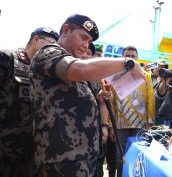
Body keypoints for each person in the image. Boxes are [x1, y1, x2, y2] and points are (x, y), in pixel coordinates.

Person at [29, 14, 144, 177]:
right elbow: (80, 69)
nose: (85, 45)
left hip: (82, 158)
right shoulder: (49, 52)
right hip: (60, 160)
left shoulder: (72, 63)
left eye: (89, 41)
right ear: (66, 30)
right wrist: (126, 62)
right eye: (83, 38)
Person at [0, 27, 59, 177]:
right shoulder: (7, 58)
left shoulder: (46, 73)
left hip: (31, 153)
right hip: (4, 150)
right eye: (51, 45)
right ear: (36, 39)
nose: (53, 50)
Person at [109, 45, 154, 177]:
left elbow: (150, 98)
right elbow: (111, 101)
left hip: (140, 124)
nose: (130, 58)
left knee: (138, 157)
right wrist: (111, 125)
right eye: (127, 56)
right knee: (120, 157)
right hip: (120, 123)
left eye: (133, 56)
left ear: (137, 58)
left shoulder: (145, 76)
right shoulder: (115, 76)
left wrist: (150, 121)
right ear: (123, 57)